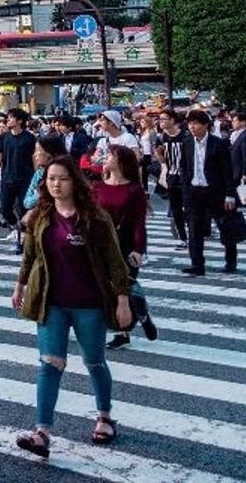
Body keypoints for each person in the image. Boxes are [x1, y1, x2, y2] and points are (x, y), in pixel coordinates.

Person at [11, 156, 133, 458]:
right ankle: (42, 432)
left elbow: (115, 261)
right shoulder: (40, 215)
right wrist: (20, 285)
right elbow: (30, 255)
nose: (56, 184)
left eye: (62, 178)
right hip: (52, 302)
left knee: (94, 362)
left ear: (74, 181)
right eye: (51, 178)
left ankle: (105, 416)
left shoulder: (94, 217)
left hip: (89, 303)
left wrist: (122, 299)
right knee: (49, 364)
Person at [97, 145, 155, 349]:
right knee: (107, 287)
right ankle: (139, 314)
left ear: (121, 161)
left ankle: (125, 329)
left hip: (126, 244)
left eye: (111, 155)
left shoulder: (134, 189)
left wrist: (139, 250)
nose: (106, 158)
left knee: (124, 285)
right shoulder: (98, 187)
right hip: (102, 244)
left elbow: (139, 223)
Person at [178, 109, 238, 276]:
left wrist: (230, 194)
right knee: (194, 228)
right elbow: (184, 167)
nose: (192, 127)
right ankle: (197, 264)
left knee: (224, 226)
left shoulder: (218, 144)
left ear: (206, 125)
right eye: (190, 123)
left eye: (196, 123)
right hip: (195, 191)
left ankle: (231, 260)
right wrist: (186, 192)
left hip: (216, 191)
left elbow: (227, 171)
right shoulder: (187, 142)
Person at [0, 108, 36, 236]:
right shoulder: (4, 137)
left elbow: (34, 157)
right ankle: (16, 227)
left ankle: (24, 237)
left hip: (26, 179)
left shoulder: (29, 137)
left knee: (25, 209)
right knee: (5, 209)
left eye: (11, 117)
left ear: (19, 121)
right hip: (7, 178)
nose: (8, 120)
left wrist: (37, 176)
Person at [156, 110, 190, 249]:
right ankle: (183, 238)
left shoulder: (185, 136)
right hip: (171, 176)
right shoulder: (161, 137)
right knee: (175, 209)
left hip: (186, 176)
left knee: (188, 207)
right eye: (160, 119)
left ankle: (195, 233)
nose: (161, 122)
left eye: (164, 119)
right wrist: (159, 155)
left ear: (173, 120)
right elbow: (163, 160)